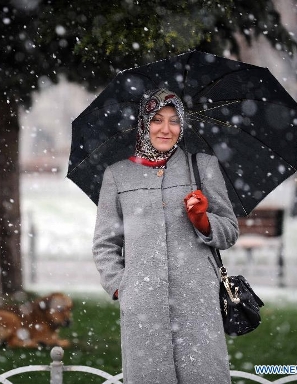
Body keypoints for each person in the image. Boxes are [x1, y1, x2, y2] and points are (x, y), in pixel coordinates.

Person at [92, 88, 239, 383]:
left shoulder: (202, 167)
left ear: (182, 126)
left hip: (197, 301)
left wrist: (203, 220)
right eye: (157, 120)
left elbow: (229, 231)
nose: (165, 129)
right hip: (142, 304)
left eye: (174, 121)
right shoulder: (117, 175)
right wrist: (123, 287)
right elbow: (105, 243)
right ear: (144, 123)